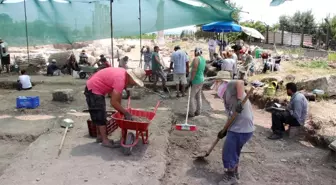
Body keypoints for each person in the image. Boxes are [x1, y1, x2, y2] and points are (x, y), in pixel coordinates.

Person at [84, 67, 146, 148]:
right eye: (135, 82)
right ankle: (105, 141)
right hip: (94, 88)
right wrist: (126, 113)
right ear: (131, 77)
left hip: (94, 86)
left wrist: (120, 109)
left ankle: (99, 136)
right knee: (100, 114)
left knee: (99, 113)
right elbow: (113, 102)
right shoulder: (120, 80)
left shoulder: (122, 75)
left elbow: (117, 97)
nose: (134, 84)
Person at [215, 72, 254, 185]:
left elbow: (240, 82)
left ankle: (230, 176)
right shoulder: (227, 96)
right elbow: (231, 116)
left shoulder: (230, 85)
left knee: (228, 151)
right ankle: (234, 173)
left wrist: (238, 100)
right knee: (234, 150)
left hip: (241, 128)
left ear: (221, 81)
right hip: (242, 127)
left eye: (218, 82)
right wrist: (224, 130)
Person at [188, 47, 206, 117]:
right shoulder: (203, 59)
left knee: (191, 97)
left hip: (196, 79)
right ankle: (198, 111)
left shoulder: (196, 59)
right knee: (198, 96)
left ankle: (191, 112)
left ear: (196, 52)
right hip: (201, 79)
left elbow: (194, 70)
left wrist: (191, 80)